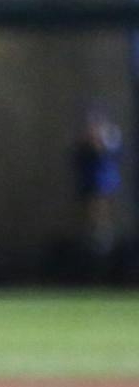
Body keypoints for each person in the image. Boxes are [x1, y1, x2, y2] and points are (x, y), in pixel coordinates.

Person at [70, 103, 122, 271]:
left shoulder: (110, 135)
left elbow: (110, 154)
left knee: (101, 212)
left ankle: (104, 242)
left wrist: (98, 142)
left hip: (105, 184)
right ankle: (92, 242)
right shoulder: (83, 140)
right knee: (89, 216)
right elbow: (77, 158)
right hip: (89, 184)